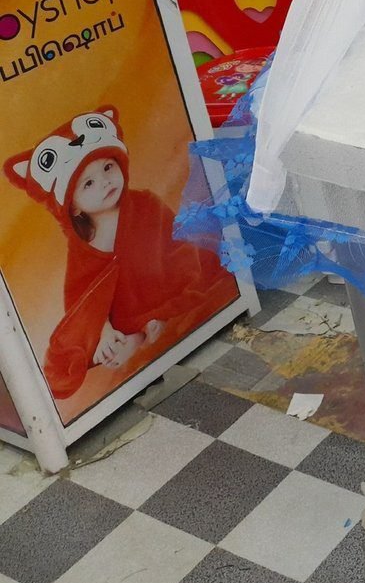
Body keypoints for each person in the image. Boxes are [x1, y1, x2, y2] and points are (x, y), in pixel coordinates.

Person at [7, 109, 233, 399]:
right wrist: (102, 329)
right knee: (91, 334)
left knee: (200, 269)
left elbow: (175, 245)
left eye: (107, 167)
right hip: (124, 311)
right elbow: (82, 299)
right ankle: (131, 335)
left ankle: (144, 330)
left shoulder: (145, 203)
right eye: (88, 183)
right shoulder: (83, 247)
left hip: (162, 282)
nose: (105, 181)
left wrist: (169, 279)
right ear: (73, 207)